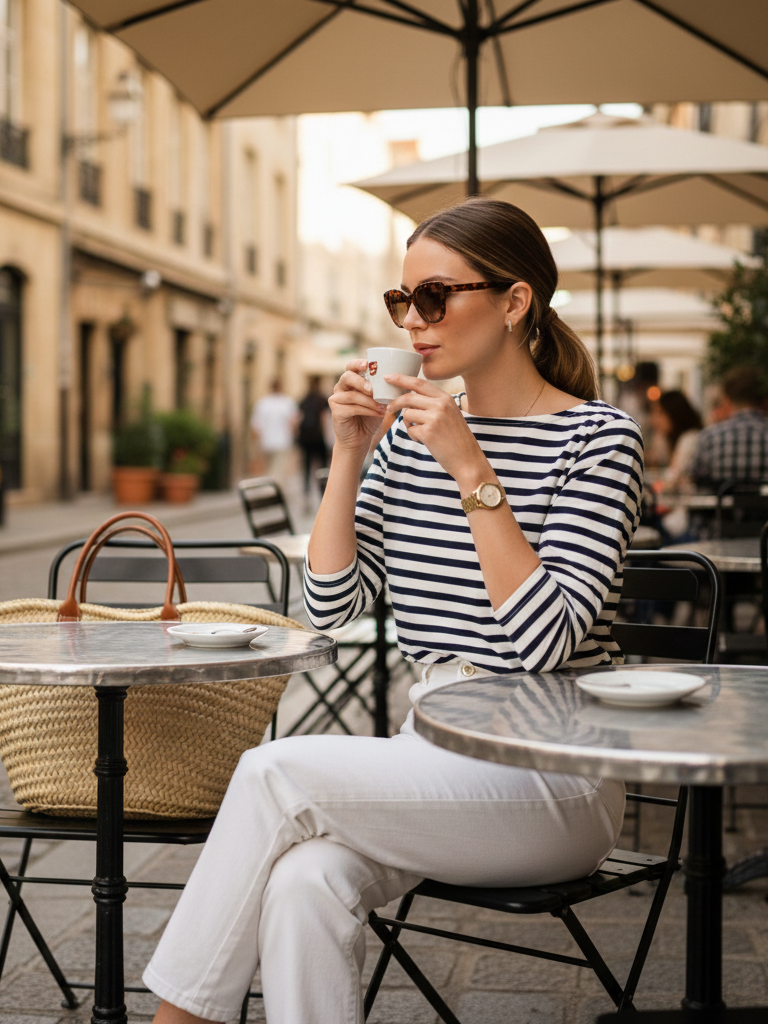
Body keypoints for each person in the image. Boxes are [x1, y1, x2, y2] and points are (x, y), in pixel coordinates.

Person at [143, 198, 643, 1024]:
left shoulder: (597, 439)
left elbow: (545, 639)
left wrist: (470, 464)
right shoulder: (408, 439)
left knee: (273, 771)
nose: (416, 322)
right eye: (402, 300)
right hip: (433, 750)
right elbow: (330, 606)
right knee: (305, 882)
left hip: (555, 777)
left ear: (515, 303)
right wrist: (350, 453)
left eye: (437, 297)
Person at [691, 366, 768, 488]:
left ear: (727, 399)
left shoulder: (708, 437)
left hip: (719, 506)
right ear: (765, 399)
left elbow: (695, 480)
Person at [648, 390, 703, 541]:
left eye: (660, 413)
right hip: (676, 509)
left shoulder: (690, 439)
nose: (654, 420)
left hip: (686, 515)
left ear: (674, 413)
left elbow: (671, 481)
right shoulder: (675, 439)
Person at [249, 379, 298, 481]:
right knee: (279, 470)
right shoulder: (287, 402)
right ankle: (275, 490)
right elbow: (293, 423)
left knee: (269, 469)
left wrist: (255, 444)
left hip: (266, 441)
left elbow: (256, 425)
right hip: (283, 442)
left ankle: (270, 488)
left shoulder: (263, 403)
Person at [296, 375, 330, 495]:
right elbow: (324, 419)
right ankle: (324, 491)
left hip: (305, 438)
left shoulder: (303, 399)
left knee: (306, 467)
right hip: (319, 437)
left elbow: (298, 418)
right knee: (323, 467)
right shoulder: (322, 399)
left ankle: (306, 492)